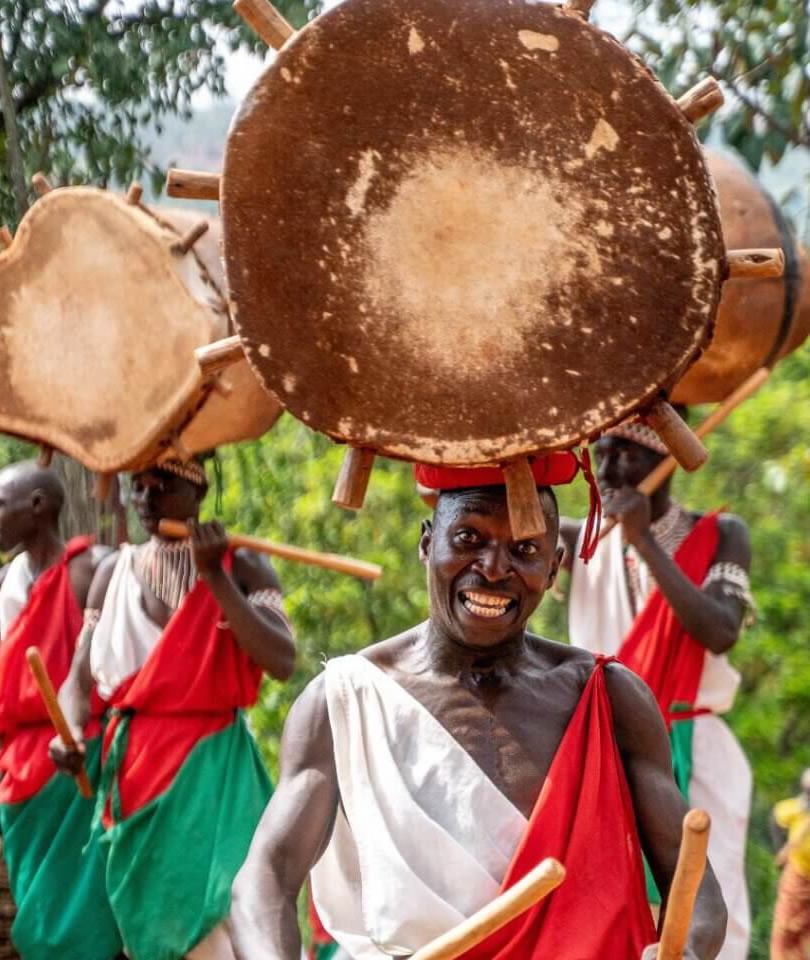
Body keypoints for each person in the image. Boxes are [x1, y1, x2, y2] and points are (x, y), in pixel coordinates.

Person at [228, 454, 727, 960]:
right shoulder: (347, 701)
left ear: (554, 568)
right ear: (427, 543)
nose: (493, 568)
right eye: (469, 539)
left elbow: (698, 892)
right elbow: (264, 880)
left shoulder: (609, 696)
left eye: (525, 549)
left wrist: (682, 954)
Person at [52, 458, 296, 960]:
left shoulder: (243, 565)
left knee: (230, 916)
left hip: (216, 772)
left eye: (162, 485)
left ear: (199, 490)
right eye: (137, 487)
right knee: (157, 931)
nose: (146, 499)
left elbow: (281, 659)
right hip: (135, 774)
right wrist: (69, 732)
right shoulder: (110, 572)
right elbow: (79, 679)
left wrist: (215, 577)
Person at [562, 419, 753, 960]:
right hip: (607, 742)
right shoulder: (578, 539)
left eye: (625, 455)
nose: (607, 471)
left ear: (665, 461)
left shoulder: (722, 534)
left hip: (698, 740)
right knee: (605, 891)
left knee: (719, 902)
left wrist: (644, 539)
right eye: (600, 455)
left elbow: (719, 630)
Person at [0, 460, 119, 960]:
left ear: (38, 506)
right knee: (33, 905)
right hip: (16, 766)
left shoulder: (87, 568)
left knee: (84, 905)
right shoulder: (6, 578)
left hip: (79, 754)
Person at [770, 769, 810, 959]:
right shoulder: (796, 809)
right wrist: (780, 848)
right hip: (798, 875)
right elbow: (776, 819)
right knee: (786, 928)